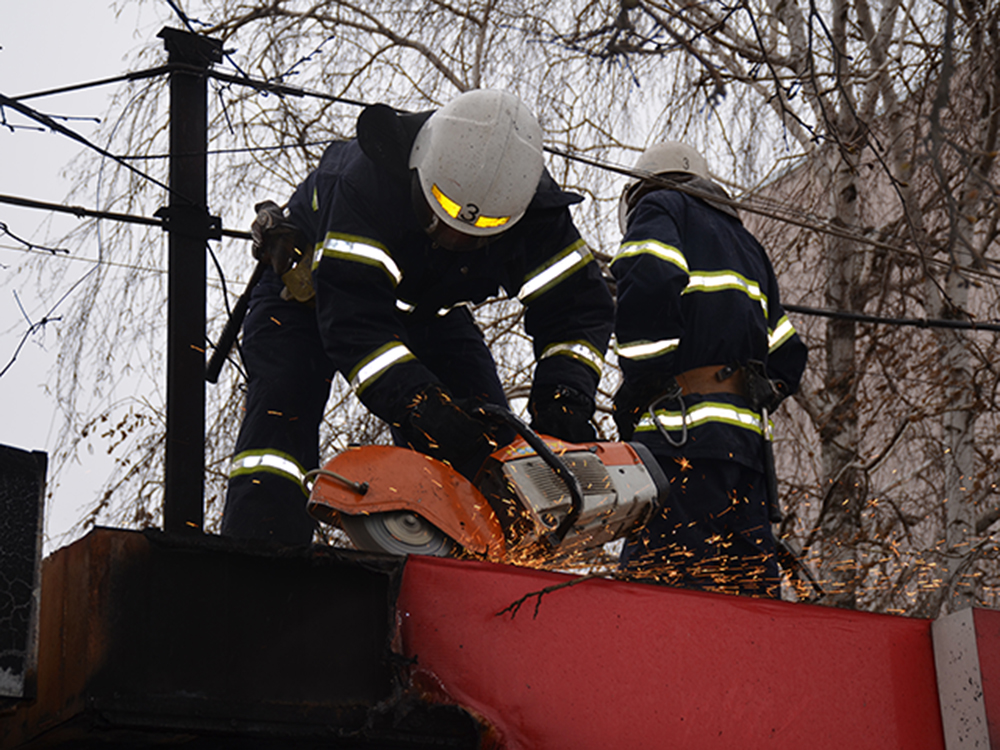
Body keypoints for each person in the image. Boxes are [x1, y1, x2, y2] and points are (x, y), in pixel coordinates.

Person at [220, 89, 614, 545]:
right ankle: (258, 558)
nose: (453, 239)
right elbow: (357, 326)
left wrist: (566, 394)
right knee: (281, 414)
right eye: (440, 214)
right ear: (420, 170)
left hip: (430, 312)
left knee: (487, 442)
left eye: (476, 235)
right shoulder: (364, 185)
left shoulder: (535, 212)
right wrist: (420, 405)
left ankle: (472, 571)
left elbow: (577, 310)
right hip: (307, 299)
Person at [611, 141, 807, 597]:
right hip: (747, 461)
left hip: (682, 447)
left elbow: (650, 280)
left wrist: (642, 383)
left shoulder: (660, 205)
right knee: (748, 602)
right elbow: (788, 353)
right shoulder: (747, 244)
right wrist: (753, 387)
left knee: (655, 592)